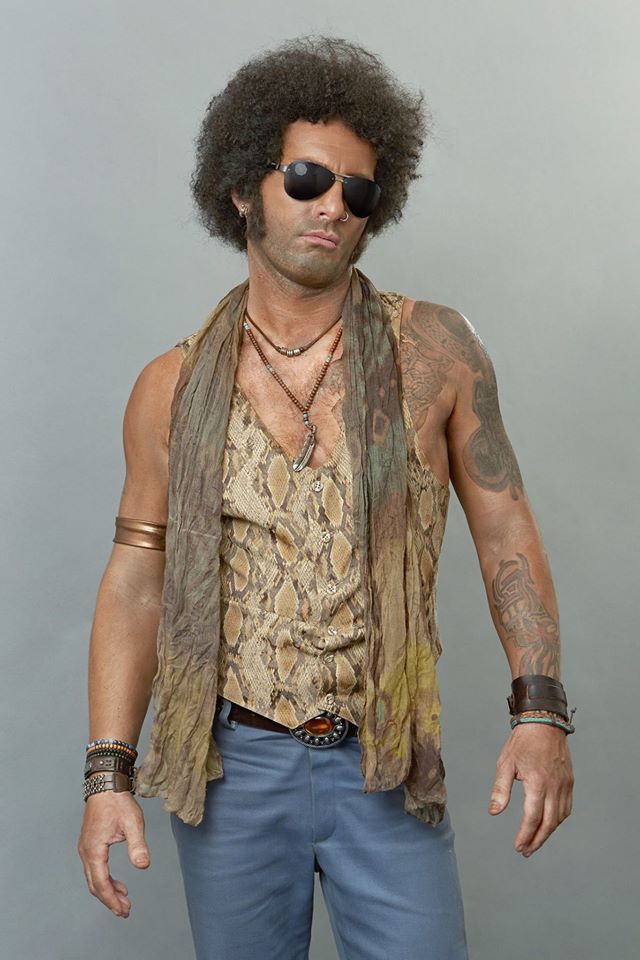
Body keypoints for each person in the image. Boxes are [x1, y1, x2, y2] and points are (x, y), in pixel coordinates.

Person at [77, 35, 575, 960]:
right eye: (306, 178)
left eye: (359, 190)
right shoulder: (169, 388)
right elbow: (137, 580)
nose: (333, 206)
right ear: (242, 189)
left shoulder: (438, 353)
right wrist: (107, 773)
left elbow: (505, 527)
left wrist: (539, 712)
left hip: (386, 756)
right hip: (230, 771)